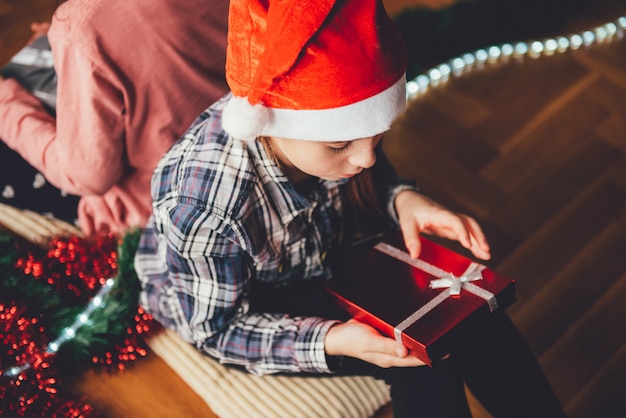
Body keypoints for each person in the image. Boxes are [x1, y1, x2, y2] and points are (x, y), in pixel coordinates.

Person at [134, 0, 567, 416]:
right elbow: (217, 329)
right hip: (258, 300)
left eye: (378, 135)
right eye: (340, 144)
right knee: (423, 361)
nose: (366, 160)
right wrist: (333, 340)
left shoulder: (340, 145)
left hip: (332, 249)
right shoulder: (203, 208)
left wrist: (401, 198)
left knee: (473, 315)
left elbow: (369, 170)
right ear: (272, 124)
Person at [0, 0, 230, 235]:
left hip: (167, 200)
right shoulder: (88, 23)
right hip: (243, 147)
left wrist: (6, 105)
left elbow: (88, 177)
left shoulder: (86, 23)